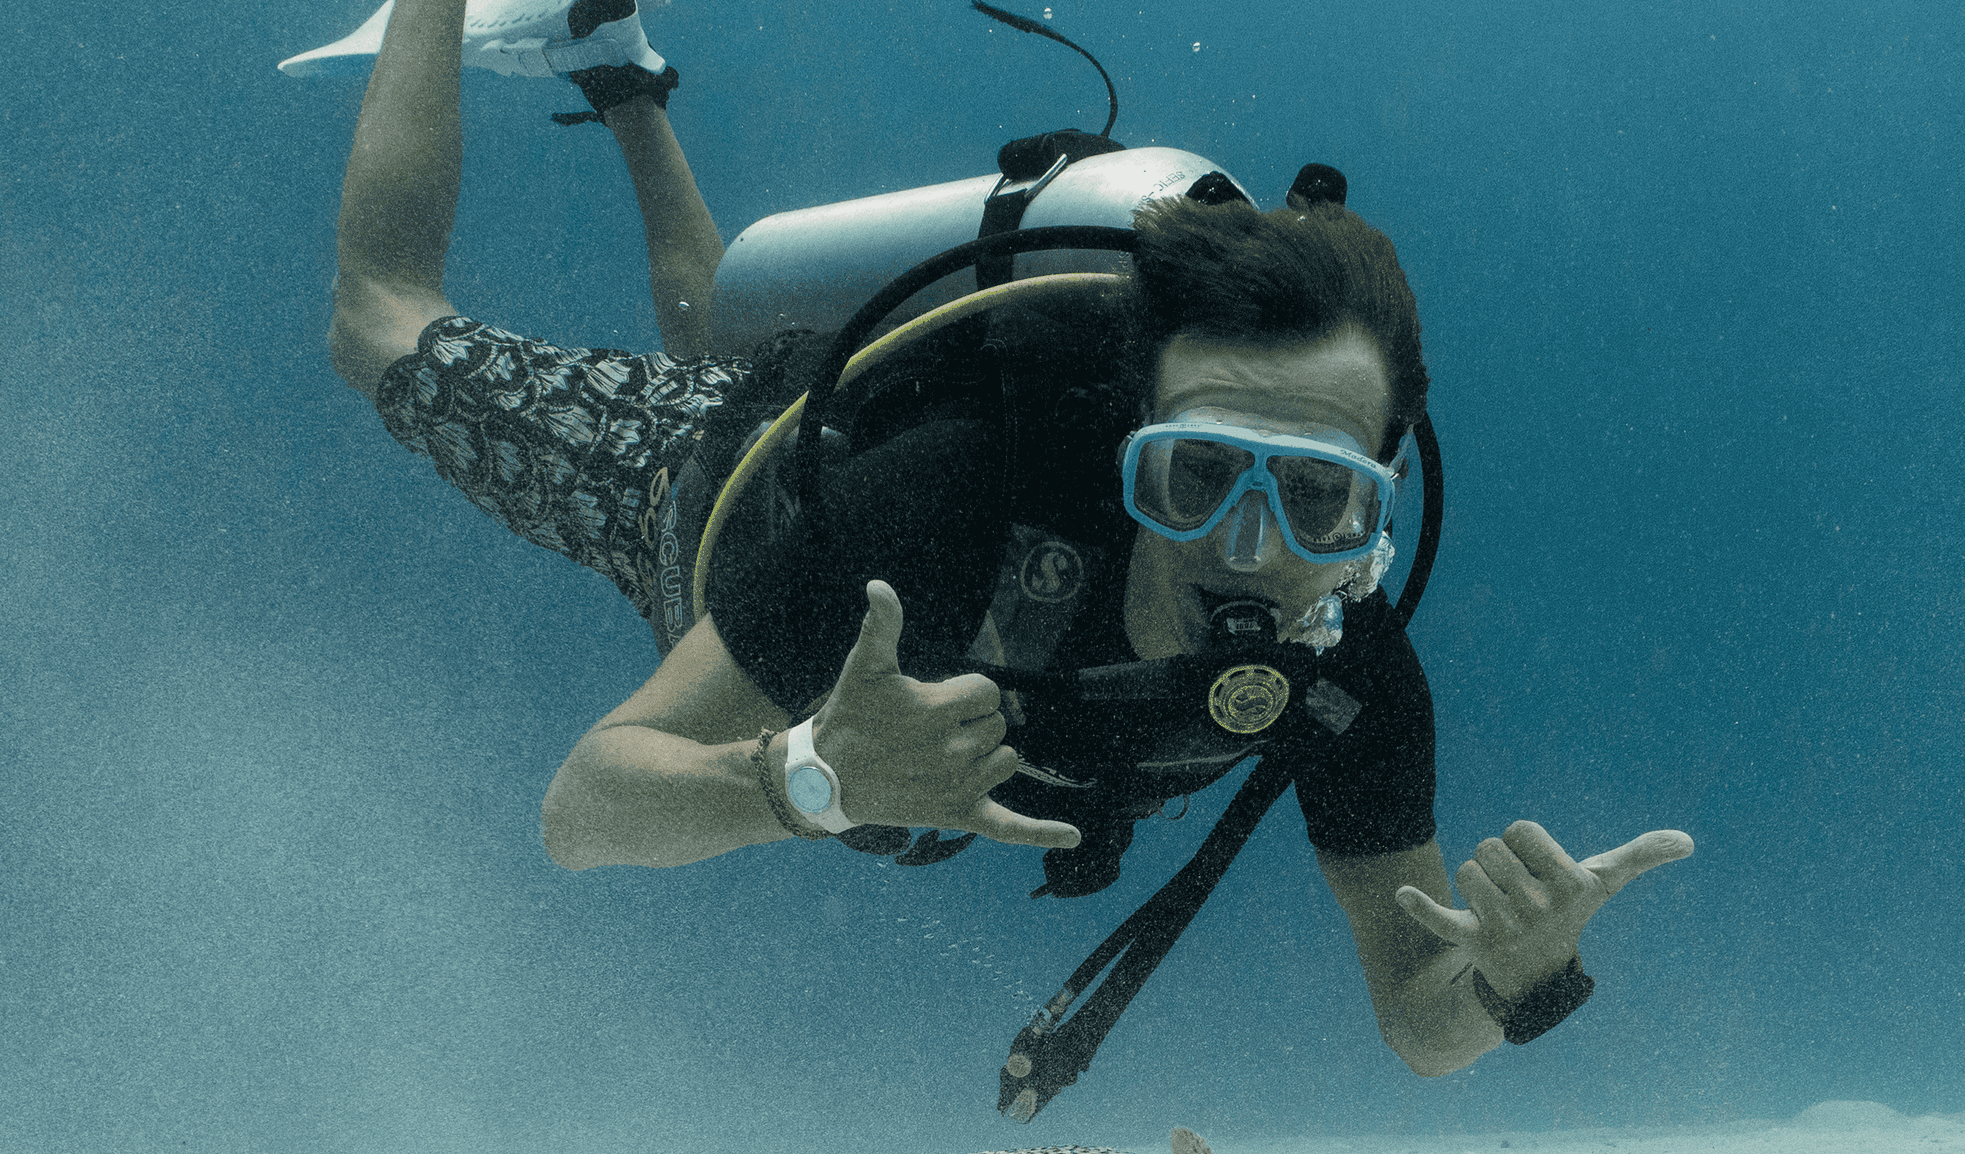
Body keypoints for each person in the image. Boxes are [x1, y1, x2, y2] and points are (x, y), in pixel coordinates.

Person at [320, 0, 1692, 1082]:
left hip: (832, 564)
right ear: (1127, 439)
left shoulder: (1352, 680)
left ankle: (615, 72)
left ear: (1375, 510)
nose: (1253, 547)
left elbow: (1418, 1019)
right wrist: (803, 775)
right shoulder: (949, 508)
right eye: (1199, 471)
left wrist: (1521, 979)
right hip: (696, 494)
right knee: (382, 325)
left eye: (1319, 500)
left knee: (710, 333)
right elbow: (583, 807)